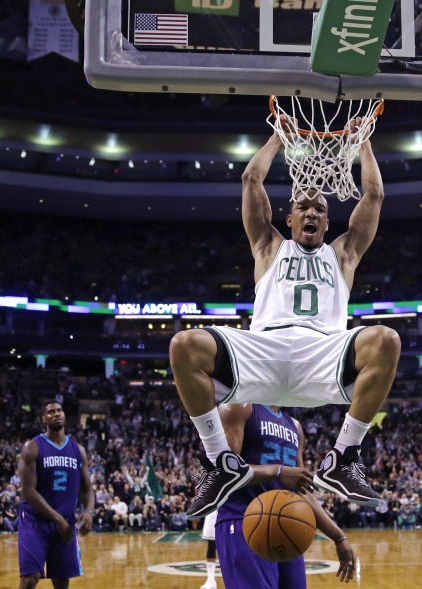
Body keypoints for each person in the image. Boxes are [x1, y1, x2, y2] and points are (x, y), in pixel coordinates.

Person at [170, 115, 400, 519]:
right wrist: (280, 135)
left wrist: (363, 139)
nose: (311, 212)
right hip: (264, 348)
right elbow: (250, 181)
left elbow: (375, 196)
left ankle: (344, 457)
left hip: (324, 354)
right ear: (289, 219)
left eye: (319, 209)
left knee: (386, 340)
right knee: (184, 345)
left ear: (328, 223)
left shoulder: (342, 254)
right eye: (302, 207)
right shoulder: (267, 245)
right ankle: (220, 462)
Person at [215, 403, 356, 588]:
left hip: (287, 525)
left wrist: (338, 537)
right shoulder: (237, 407)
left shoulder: (295, 426)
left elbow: (302, 490)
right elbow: (224, 472)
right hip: (244, 521)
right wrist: (277, 471)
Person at [17, 401, 96, 589]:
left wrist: (89, 511)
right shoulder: (33, 447)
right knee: (30, 578)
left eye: (59, 410)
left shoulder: (78, 450)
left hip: (65, 521)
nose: (56, 414)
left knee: (62, 582)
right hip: (35, 521)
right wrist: (58, 519)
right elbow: (28, 492)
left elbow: (86, 489)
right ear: (43, 419)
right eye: (51, 412)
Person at [200, 511, 218, 589]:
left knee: (229, 548)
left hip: (227, 513)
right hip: (212, 513)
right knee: (211, 546)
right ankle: (211, 580)